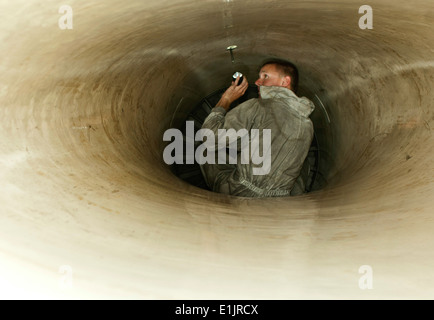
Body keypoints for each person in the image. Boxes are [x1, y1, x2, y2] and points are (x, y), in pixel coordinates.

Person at [199, 59, 315, 197]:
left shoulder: (258, 106)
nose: (257, 82)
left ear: (285, 81)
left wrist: (225, 100)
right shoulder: (308, 125)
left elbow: (209, 137)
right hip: (282, 200)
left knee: (205, 150)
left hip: (239, 191)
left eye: (265, 76)